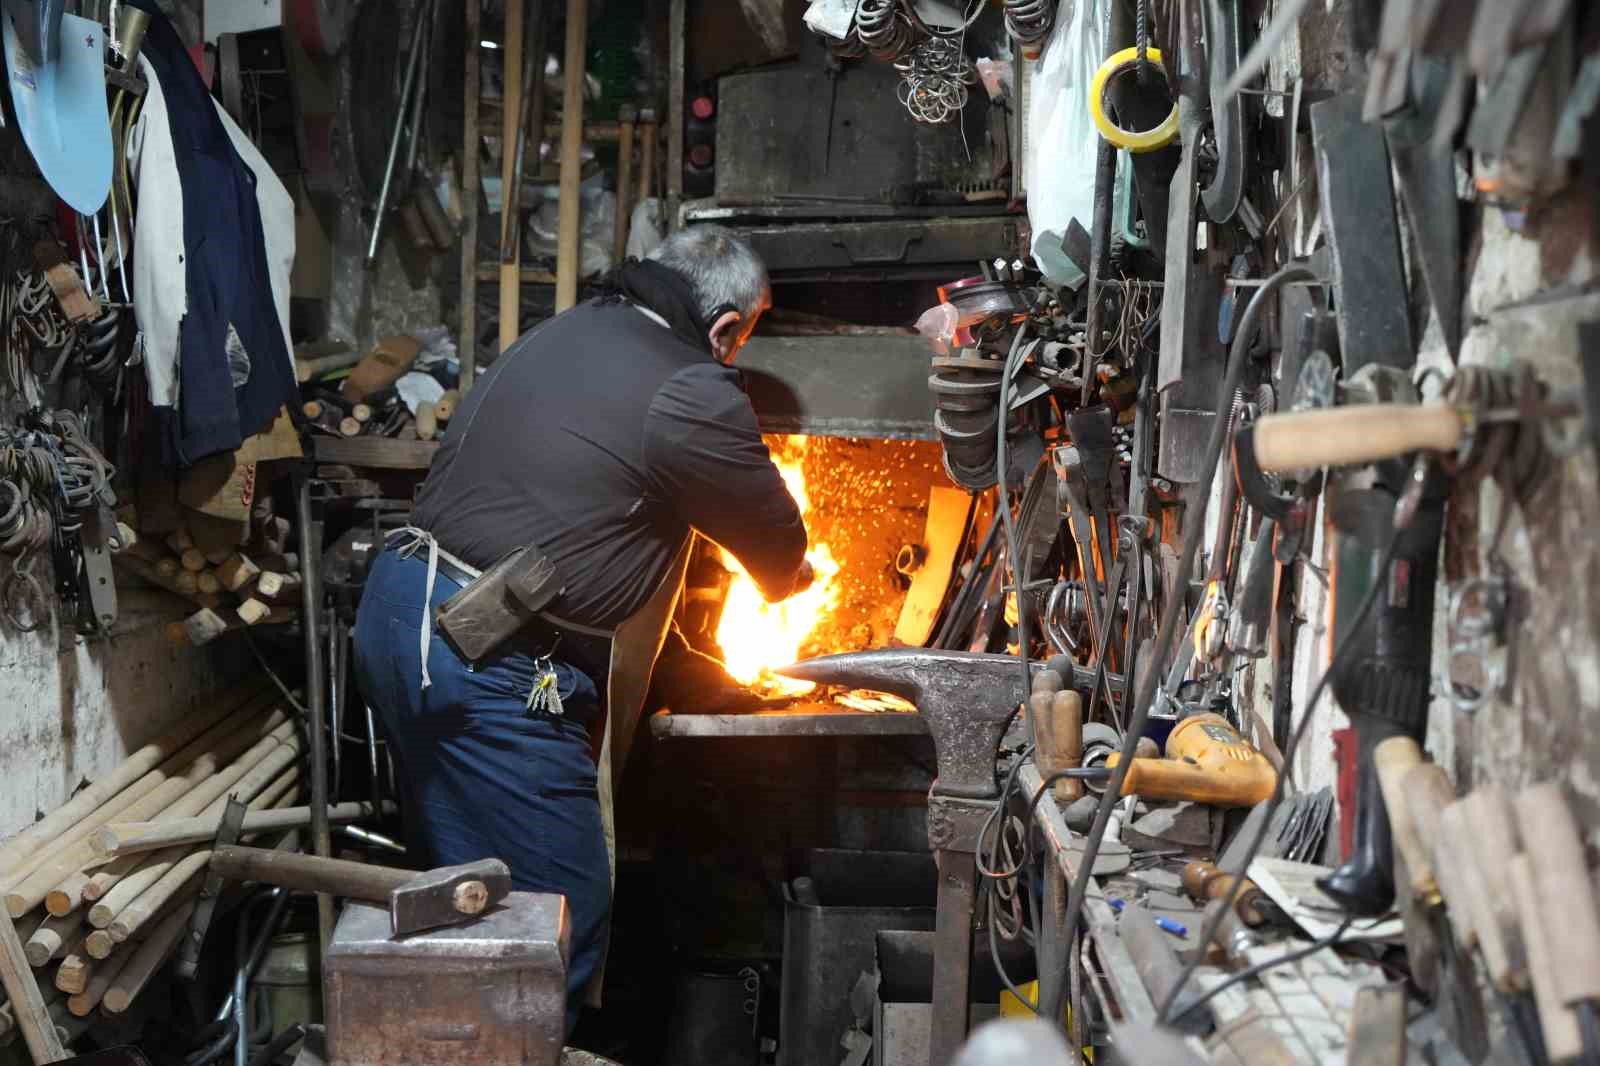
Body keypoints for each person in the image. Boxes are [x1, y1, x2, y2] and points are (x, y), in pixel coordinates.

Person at [351, 226, 812, 1031]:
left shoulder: (564, 328)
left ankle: (464, 1048)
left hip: (401, 617)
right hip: (483, 655)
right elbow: (777, 553)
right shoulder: (694, 387)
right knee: (553, 917)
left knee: (475, 905)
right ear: (728, 330)